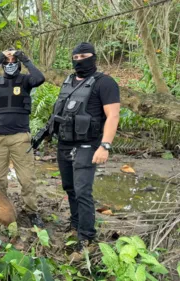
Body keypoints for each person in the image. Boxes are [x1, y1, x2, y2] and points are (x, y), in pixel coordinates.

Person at [49, 42, 120, 260]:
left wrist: (105, 145)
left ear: (94, 57)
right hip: (65, 143)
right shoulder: (68, 81)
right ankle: (76, 224)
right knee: (69, 187)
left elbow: (113, 116)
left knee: (82, 191)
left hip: (89, 145)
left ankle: (87, 238)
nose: (79, 59)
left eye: (84, 55)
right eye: (76, 56)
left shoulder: (105, 83)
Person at [0, 48, 45, 228]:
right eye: (7, 62)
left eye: (14, 61)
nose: (10, 64)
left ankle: (31, 211)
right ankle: (0, 209)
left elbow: (39, 78)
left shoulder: (26, 81)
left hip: (20, 137)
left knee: (27, 179)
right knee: (0, 179)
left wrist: (24, 57)